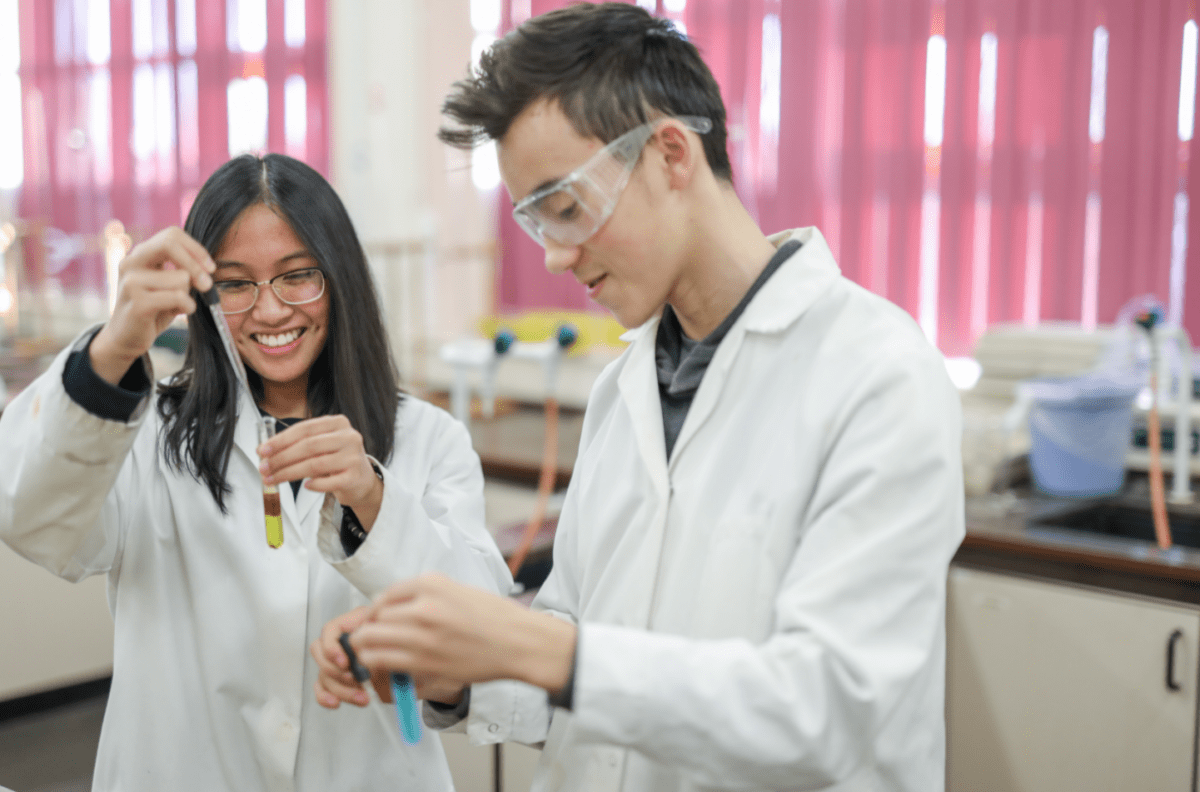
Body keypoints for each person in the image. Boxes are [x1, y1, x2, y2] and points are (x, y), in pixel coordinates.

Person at [332, 4, 964, 791]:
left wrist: (529, 645)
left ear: (671, 153)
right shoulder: (624, 389)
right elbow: (577, 657)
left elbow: (828, 712)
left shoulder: (876, 374)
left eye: (566, 207)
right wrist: (458, 669)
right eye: (535, 222)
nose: (557, 255)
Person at [0, 153, 511, 790]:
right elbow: (31, 518)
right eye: (236, 284)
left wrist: (375, 500)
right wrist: (114, 347)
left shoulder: (426, 440)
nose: (269, 312)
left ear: (339, 277)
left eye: (298, 277)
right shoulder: (147, 435)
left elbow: (486, 636)